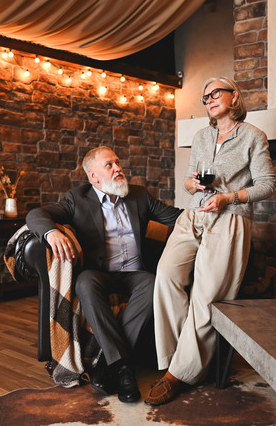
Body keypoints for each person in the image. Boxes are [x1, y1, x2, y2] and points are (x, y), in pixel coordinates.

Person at [145, 77, 276, 406]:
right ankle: (177, 359)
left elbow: (267, 185)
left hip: (229, 219)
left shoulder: (253, 137)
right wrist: (193, 185)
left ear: (234, 97)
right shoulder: (201, 136)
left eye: (216, 92)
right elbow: (189, 181)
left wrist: (228, 197)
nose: (209, 99)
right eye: (205, 97)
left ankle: (178, 375)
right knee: (166, 276)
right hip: (192, 217)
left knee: (206, 297)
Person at [25, 146, 182, 403]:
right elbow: (36, 214)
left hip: (136, 273)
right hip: (99, 273)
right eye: (109, 165)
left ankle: (112, 367)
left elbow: (176, 218)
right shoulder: (78, 198)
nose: (118, 168)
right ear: (93, 176)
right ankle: (123, 367)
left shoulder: (139, 195)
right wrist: (50, 232)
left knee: (154, 283)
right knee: (84, 283)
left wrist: (209, 211)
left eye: (118, 163)